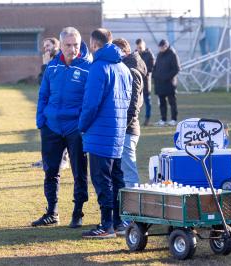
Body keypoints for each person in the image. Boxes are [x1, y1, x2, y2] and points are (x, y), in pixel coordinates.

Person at [32, 27, 91, 228]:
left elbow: (89, 101)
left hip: (75, 129)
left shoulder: (87, 68)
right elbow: (43, 95)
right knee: (50, 171)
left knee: (79, 173)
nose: (72, 49)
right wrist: (41, 121)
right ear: (61, 45)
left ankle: (78, 213)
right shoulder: (52, 67)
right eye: (68, 45)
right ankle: (52, 212)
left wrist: (82, 125)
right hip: (52, 128)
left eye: (75, 45)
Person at [79, 28, 132, 239]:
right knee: (116, 178)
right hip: (117, 132)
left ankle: (106, 225)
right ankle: (120, 222)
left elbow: (91, 104)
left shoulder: (98, 68)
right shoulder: (123, 68)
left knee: (102, 180)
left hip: (100, 133)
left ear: (93, 44)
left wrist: (82, 125)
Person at [33, 37, 70, 170]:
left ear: (57, 46)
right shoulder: (49, 61)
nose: (46, 49)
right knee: (48, 133)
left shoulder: (61, 60)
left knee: (61, 132)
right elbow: (42, 82)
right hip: (49, 104)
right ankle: (46, 160)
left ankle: (63, 160)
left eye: (48, 45)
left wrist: (45, 66)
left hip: (61, 105)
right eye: (44, 47)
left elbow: (52, 81)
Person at [112, 38, 144, 189]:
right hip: (125, 128)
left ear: (126, 52)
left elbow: (132, 106)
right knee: (121, 172)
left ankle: (133, 209)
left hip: (127, 130)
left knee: (129, 174)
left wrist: (121, 127)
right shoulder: (126, 68)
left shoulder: (131, 70)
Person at [152, 39, 181, 127]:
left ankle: (173, 119)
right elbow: (156, 67)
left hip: (169, 84)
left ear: (166, 46)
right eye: (159, 47)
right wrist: (154, 75)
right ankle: (163, 119)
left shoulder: (172, 55)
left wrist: (167, 77)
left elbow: (177, 69)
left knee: (172, 102)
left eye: (162, 47)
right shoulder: (159, 55)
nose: (160, 49)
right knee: (162, 102)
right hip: (159, 84)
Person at [136, 38, 155, 126]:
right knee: (136, 101)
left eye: (140, 47)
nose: (139, 49)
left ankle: (147, 118)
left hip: (146, 82)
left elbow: (151, 68)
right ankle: (135, 119)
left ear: (144, 46)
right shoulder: (135, 55)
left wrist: (142, 72)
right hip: (137, 82)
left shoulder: (149, 55)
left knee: (147, 101)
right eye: (138, 47)